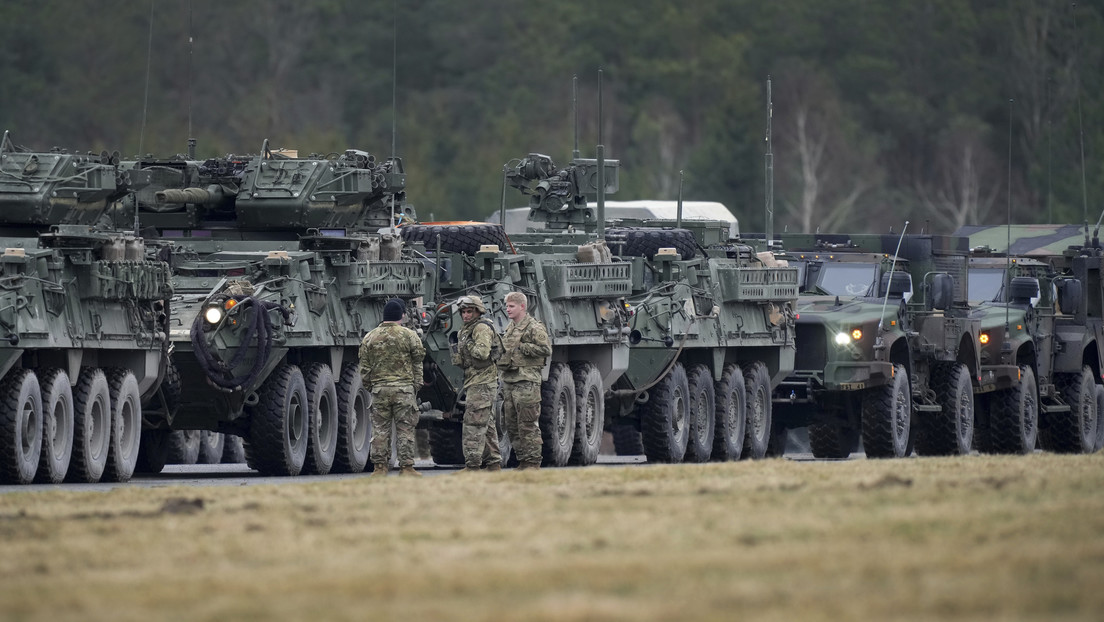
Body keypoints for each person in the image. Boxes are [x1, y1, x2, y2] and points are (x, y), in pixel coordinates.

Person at [359, 298, 426, 477]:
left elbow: (364, 368)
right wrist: (416, 385)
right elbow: (418, 361)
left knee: (380, 429)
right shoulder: (410, 335)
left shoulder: (370, 337)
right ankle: (406, 467)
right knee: (405, 429)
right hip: (404, 389)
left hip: (380, 389)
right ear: (402, 315)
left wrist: (371, 386)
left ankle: (379, 467)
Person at [499, 291, 552, 470]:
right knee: (512, 424)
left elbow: (545, 349)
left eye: (511, 306)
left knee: (528, 423)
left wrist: (523, 347)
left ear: (522, 306)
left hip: (527, 381)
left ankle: (533, 462)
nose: (508, 309)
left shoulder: (534, 327)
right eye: (507, 306)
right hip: (509, 379)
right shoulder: (510, 327)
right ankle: (523, 460)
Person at [450, 295, 502, 472]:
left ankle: (472, 466)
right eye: (463, 312)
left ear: (478, 312)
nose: (466, 315)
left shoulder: (480, 328)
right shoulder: (465, 329)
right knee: (486, 425)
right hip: (475, 380)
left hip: (483, 382)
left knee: (473, 423)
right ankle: (494, 463)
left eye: (469, 311)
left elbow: (481, 353)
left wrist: (469, 344)